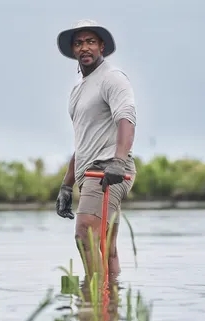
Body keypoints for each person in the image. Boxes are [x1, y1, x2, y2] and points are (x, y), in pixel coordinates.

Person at [55, 19, 137, 279]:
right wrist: (67, 186)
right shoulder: (78, 89)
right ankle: (111, 310)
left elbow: (127, 118)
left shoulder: (112, 78)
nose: (84, 47)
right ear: (73, 51)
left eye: (90, 41)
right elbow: (83, 142)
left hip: (107, 171)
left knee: (85, 235)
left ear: (102, 46)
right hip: (90, 172)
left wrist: (119, 161)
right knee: (106, 247)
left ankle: (91, 308)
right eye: (79, 43)